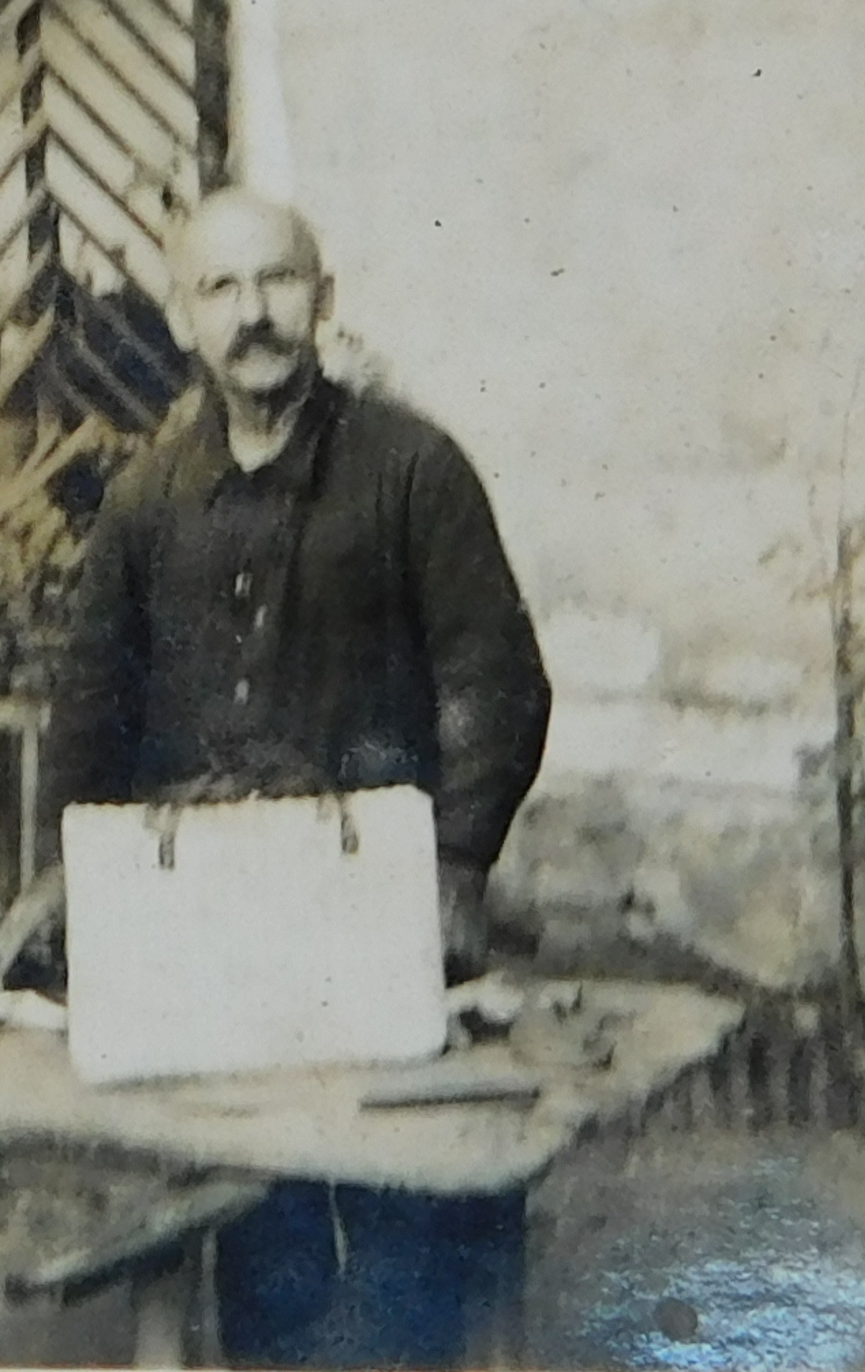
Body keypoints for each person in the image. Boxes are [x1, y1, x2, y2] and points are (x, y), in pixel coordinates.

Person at [50, 186, 552, 1367]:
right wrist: (72, 874)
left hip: (378, 895)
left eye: (276, 280)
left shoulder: (413, 470)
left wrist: (457, 862)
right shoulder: (147, 499)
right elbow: (90, 701)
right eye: (219, 288)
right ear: (184, 318)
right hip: (219, 912)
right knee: (255, 1202)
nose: (252, 313)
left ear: (322, 298)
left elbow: (495, 678)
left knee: (400, 1208)